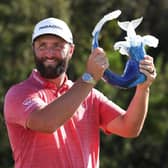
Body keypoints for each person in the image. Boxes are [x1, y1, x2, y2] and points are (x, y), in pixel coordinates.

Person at [4, 17, 157, 168]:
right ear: (33, 49)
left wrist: (143, 88)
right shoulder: (18, 93)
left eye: (57, 46)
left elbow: (129, 127)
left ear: (71, 50)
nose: (49, 53)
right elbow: (47, 122)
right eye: (42, 45)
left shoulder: (89, 95)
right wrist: (90, 78)